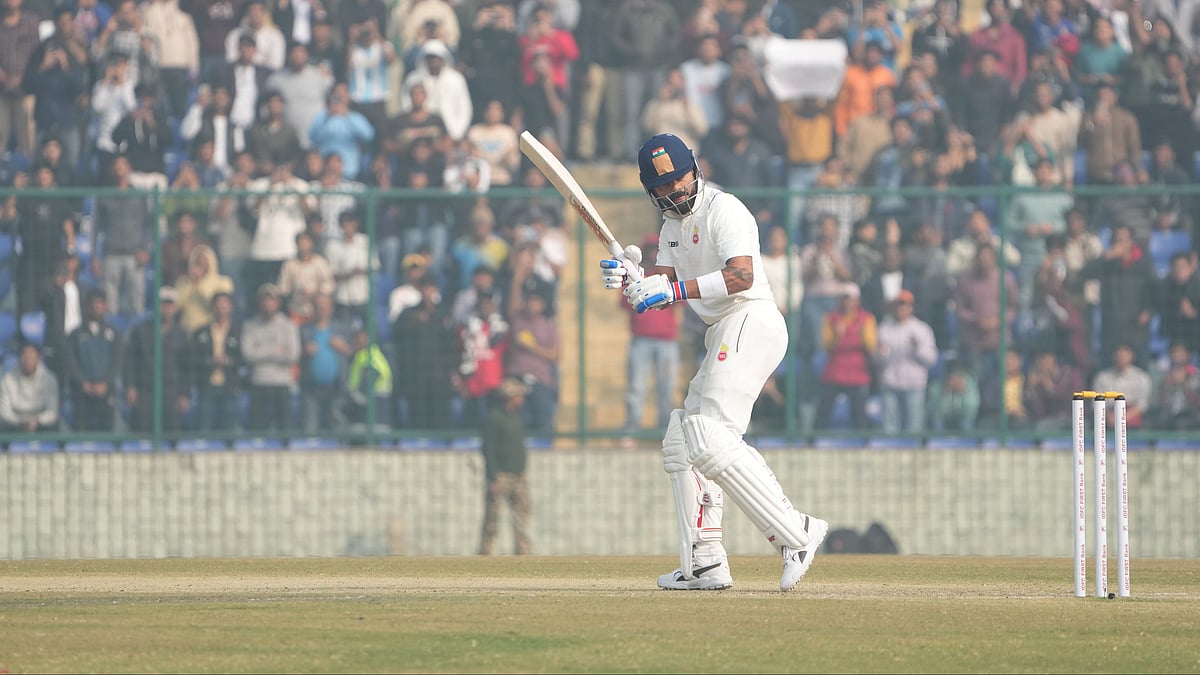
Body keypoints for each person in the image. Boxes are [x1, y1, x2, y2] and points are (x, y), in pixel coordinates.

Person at [599, 133, 827, 592]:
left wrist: (674, 290)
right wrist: (633, 280)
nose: (674, 191)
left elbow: (741, 276)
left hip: (752, 319)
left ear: (695, 169)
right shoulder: (669, 229)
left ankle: (796, 533)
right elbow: (659, 290)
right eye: (662, 186)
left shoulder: (725, 209)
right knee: (683, 438)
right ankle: (704, 561)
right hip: (724, 331)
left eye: (679, 178)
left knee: (710, 436)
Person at [620, 233, 680, 440]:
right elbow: (624, 303)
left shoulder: (668, 276)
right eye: (650, 250)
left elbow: (680, 299)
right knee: (636, 386)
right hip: (641, 339)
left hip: (666, 340)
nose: (654, 254)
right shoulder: (636, 276)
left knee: (667, 388)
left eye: (657, 250)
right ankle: (632, 428)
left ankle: (665, 432)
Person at [478, 377, 532, 556]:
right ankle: (486, 553)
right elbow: (489, 450)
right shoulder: (494, 419)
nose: (521, 399)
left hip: (518, 475)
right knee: (492, 519)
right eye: (518, 395)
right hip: (500, 476)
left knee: (521, 518)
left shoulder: (516, 418)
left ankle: (523, 553)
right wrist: (492, 477)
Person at [0, 344, 59, 433]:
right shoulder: (7, 380)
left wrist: (38, 420)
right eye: (25, 358)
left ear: (38, 359)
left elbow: (52, 412)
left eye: (31, 358)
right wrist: (21, 421)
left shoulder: (49, 379)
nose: (28, 361)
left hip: (41, 424)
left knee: (57, 428)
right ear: (19, 359)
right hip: (15, 424)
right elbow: (4, 412)